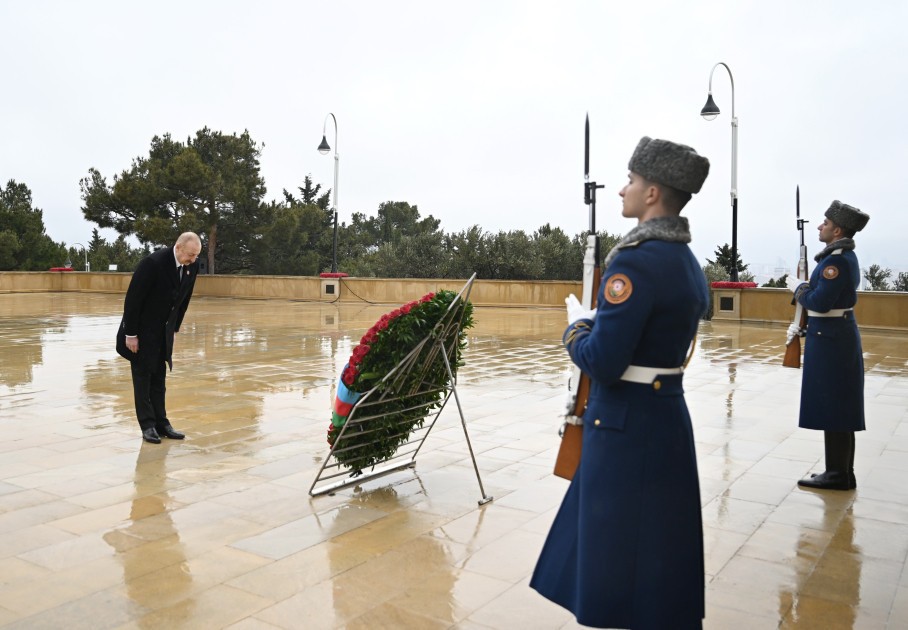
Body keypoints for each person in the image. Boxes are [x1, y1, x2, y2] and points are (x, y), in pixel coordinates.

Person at [531, 137, 710, 629]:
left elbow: (605, 362)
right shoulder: (686, 262)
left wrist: (577, 328)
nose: (622, 190)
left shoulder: (635, 260)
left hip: (625, 426)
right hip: (665, 417)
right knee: (656, 558)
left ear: (652, 193)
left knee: (615, 561)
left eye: (630, 181)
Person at [785, 201, 869, 490]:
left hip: (832, 341)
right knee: (838, 405)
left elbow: (820, 302)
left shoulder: (836, 261)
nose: (820, 226)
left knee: (835, 406)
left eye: (825, 223)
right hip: (832, 336)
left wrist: (798, 287)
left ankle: (838, 474)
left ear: (838, 230)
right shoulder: (839, 257)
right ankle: (842, 471)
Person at [116, 232, 202, 443]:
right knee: (143, 378)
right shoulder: (153, 263)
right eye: (190, 255)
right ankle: (147, 426)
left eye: (196, 256)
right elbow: (133, 300)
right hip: (141, 332)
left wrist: (174, 327)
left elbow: (184, 299)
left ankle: (162, 423)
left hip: (163, 332)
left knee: (159, 379)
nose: (193, 260)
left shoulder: (192, 265)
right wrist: (131, 334)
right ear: (178, 247)